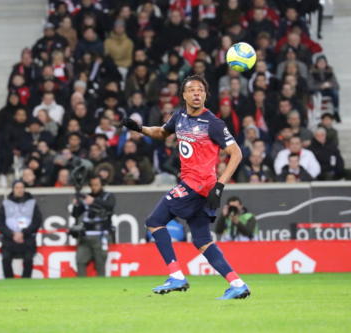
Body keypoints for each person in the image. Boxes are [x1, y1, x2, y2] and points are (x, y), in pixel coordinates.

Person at [122, 75, 250, 300]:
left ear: (205, 95)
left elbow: (237, 153)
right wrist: (139, 128)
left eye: (200, 90)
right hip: (197, 188)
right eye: (192, 90)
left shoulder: (213, 123)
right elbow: (162, 132)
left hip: (197, 185)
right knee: (201, 241)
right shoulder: (179, 116)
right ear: (184, 95)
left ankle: (176, 276)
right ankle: (237, 284)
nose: (197, 94)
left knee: (154, 222)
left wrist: (219, 186)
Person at [71, 176, 116, 277]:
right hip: (86, 235)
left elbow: (110, 207)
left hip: (100, 235)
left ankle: (101, 287)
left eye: (97, 184)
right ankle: (82, 286)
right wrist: (76, 205)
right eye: (92, 185)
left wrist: (94, 201)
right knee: (80, 260)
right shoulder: (86, 198)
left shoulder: (108, 196)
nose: (94, 187)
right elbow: (75, 214)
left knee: (100, 264)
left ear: (101, 185)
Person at [0, 181, 42, 278]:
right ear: (13, 189)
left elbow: (37, 221)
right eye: (17, 187)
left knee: (28, 259)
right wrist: (12, 234)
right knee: (6, 258)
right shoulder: (6, 204)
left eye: (21, 187)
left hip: (27, 238)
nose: (19, 190)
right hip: (9, 239)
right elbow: (0, 223)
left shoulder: (32, 203)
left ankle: (26, 281)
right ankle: (9, 281)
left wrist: (23, 233)